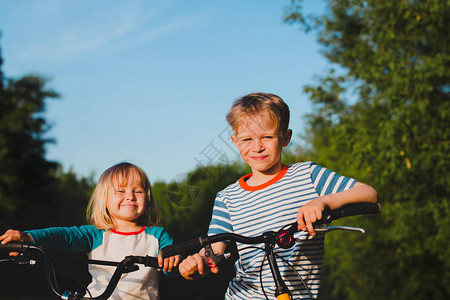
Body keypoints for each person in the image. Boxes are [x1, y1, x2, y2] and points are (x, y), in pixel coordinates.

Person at [178, 92, 378, 299]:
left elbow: (369, 193)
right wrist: (197, 262)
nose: (257, 146)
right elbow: (215, 250)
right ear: (235, 142)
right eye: (247, 139)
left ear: (285, 137)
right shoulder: (228, 198)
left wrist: (324, 201)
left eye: (267, 137)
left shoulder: (307, 175)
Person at [0, 162, 180, 300]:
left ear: (147, 198)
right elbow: (63, 236)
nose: (130, 196)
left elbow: (172, 266)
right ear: (105, 199)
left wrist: (172, 264)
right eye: (120, 190)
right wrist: (30, 238)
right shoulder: (95, 234)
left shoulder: (158, 236)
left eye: (138, 191)